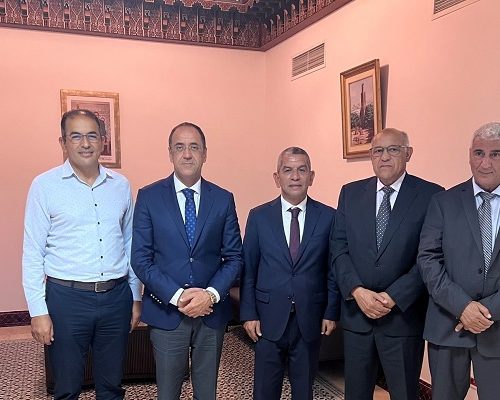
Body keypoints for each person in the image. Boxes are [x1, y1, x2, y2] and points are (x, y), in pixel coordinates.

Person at [22, 109, 142, 400]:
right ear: (63, 142)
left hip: (116, 297)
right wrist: (38, 311)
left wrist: (135, 296)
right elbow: (33, 251)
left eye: (92, 136)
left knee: (111, 385)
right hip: (67, 300)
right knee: (66, 387)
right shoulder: (44, 186)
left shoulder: (121, 185)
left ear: (103, 141)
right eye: (76, 136)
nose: (85, 143)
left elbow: (130, 243)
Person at [131, 122, 243, 400]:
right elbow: (141, 259)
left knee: (206, 393)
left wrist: (210, 295)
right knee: (168, 393)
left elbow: (234, 257)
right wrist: (178, 296)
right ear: (170, 153)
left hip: (211, 313)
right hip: (166, 312)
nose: (187, 154)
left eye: (194, 147)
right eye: (179, 147)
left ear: (205, 153)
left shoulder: (223, 199)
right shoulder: (149, 197)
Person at [331, 128, 443, 400]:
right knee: (356, 393)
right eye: (378, 151)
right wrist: (357, 291)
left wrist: (393, 297)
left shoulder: (431, 195)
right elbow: (338, 249)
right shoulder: (350, 193)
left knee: (404, 392)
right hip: (357, 314)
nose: (384, 157)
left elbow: (429, 256)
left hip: (403, 317)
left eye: (393, 149)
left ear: (408, 154)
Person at [240, 147, 339, 400]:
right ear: (277, 178)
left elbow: (333, 269)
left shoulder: (329, 217)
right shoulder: (259, 216)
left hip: (310, 318)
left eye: (302, 170)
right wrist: (249, 314)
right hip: (267, 318)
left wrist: (331, 311)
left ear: (311, 177)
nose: (295, 176)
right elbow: (249, 269)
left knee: (304, 390)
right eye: (288, 170)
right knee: (265, 390)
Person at [418, 122, 500, 400]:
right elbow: (428, 260)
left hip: (497, 329)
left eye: (495, 154)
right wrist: (463, 307)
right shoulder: (443, 202)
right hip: (447, 325)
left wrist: (486, 312)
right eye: (479, 153)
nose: (485, 163)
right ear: (469, 156)